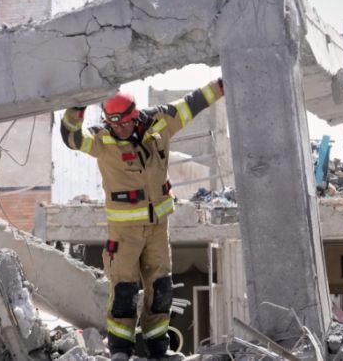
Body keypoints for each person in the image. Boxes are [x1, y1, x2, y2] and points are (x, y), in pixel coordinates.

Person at [60, 78, 225, 361]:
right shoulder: (102, 139)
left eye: (123, 123)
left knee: (161, 289)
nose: (119, 128)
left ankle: (158, 348)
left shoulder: (160, 122)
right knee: (124, 291)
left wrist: (222, 85)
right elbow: (71, 137)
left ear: (135, 116)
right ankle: (121, 350)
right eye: (112, 123)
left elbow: (193, 103)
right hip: (124, 233)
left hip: (158, 229)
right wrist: (78, 103)